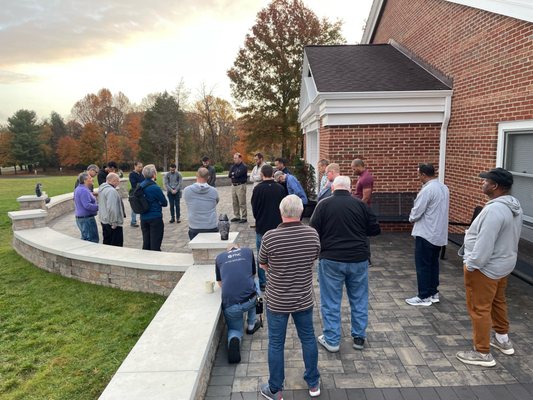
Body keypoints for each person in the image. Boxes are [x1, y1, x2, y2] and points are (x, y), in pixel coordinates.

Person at [456, 168, 523, 367]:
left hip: (485, 268)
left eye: (485, 181)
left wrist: (471, 265)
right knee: (498, 302)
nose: (482, 183)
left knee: (479, 309)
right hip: (503, 264)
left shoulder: (494, 210)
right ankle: (503, 341)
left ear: (494, 186)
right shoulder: (514, 206)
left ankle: (482, 353)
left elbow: (485, 243)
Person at [258, 195, 321, 399]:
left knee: (276, 344)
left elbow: (263, 264)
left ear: (281, 212)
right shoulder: (312, 235)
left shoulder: (270, 237)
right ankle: (313, 383)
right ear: (301, 212)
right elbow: (313, 258)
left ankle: (275, 389)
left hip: (277, 300)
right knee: (308, 339)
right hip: (303, 298)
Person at [310, 176, 381, 353]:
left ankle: (332, 340)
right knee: (359, 299)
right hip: (358, 259)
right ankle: (358, 337)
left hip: (331, 259)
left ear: (333, 188)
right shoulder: (361, 205)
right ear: (350, 189)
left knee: (330, 300)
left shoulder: (324, 205)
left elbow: (313, 230)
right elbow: (374, 229)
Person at [405, 163, 449, 306]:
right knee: (433, 264)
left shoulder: (427, 190)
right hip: (439, 233)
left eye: (419, 175)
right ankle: (433, 292)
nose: (418, 177)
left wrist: (411, 218)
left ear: (424, 174)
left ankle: (423, 296)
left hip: (426, 233)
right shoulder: (444, 187)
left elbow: (417, 211)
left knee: (423, 265)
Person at [216, 245, 261, 364]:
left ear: (227, 251)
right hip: (250, 300)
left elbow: (220, 283)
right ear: (238, 248)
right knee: (254, 284)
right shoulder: (248, 251)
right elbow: (252, 275)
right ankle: (251, 324)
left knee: (234, 329)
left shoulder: (219, 258)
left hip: (231, 306)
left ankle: (234, 338)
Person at [251, 164, 286, 292]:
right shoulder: (280, 188)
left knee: (261, 256)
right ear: (272, 173)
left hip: (262, 227)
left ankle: (263, 282)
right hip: (279, 228)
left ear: (261, 174)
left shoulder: (258, 189)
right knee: (280, 254)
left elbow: (254, 209)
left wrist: (259, 218)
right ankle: (279, 279)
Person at [183, 167, 219, 240]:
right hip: (210, 226)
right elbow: (216, 202)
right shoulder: (214, 191)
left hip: (195, 226)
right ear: (208, 177)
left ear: (196, 175)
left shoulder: (187, 190)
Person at [139, 164, 167, 251]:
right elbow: (164, 203)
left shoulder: (140, 186)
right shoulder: (155, 188)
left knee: (146, 243)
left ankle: (145, 261)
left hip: (143, 218)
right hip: (155, 218)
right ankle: (155, 261)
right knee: (155, 244)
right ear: (154, 174)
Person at [98, 172, 125, 247]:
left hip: (104, 221)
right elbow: (112, 208)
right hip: (111, 223)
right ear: (112, 181)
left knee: (107, 243)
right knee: (116, 245)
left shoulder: (102, 189)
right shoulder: (111, 191)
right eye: (117, 181)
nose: (118, 183)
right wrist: (114, 223)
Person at [74, 172, 99, 243]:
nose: (92, 179)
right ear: (85, 180)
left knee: (86, 241)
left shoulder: (80, 188)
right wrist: (100, 207)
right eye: (90, 178)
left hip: (83, 219)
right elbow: (87, 205)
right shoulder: (83, 190)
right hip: (86, 220)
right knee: (92, 241)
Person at [228, 153, 248, 223]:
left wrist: (234, 174)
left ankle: (244, 217)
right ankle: (237, 216)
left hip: (240, 186)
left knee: (242, 202)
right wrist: (234, 174)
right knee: (235, 202)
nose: (234, 159)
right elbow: (230, 175)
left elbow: (238, 174)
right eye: (234, 158)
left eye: (236, 158)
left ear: (240, 158)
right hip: (233, 185)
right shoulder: (233, 166)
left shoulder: (243, 166)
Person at [128, 161, 144, 227]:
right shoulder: (132, 174)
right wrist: (143, 183)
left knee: (142, 206)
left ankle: (142, 220)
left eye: (141, 167)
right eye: (139, 167)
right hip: (134, 193)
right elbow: (134, 184)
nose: (141, 168)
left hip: (141, 192)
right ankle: (133, 222)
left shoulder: (141, 174)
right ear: (135, 166)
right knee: (134, 207)